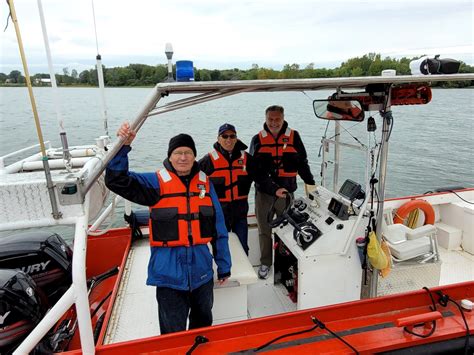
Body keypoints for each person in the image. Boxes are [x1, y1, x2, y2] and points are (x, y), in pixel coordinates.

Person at [105, 122, 231, 335]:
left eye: (188, 153)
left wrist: (224, 265)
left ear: (194, 156)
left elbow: (219, 229)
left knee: (202, 328)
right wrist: (122, 147)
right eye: (178, 153)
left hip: (202, 274)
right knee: (172, 333)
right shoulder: (155, 182)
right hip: (168, 277)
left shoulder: (206, 184)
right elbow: (117, 181)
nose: (183, 157)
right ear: (170, 156)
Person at [250, 105, 315, 279]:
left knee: (287, 230)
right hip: (264, 194)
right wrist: (273, 188)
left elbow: (302, 162)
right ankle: (265, 263)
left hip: (287, 194)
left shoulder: (295, 137)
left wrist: (310, 183)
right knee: (264, 229)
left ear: (283, 118)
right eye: (270, 119)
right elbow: (255, 171)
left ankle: (285, 263)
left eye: (277, 119)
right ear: (265, 119)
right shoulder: (257, 139)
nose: (273, 123)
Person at [199, 123, 280, 255]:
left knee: (242, 248)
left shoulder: (247, 159)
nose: (228, 140)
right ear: (218, 139)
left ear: (236, 138)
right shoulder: (208, 160)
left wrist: (275, 190)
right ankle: (223, 274)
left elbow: (261, 178)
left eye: (232, 136)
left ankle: (243, 273)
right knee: (219, 247)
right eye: (224, 136)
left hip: (240, 213)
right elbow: (194, 180)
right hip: (219, 213)